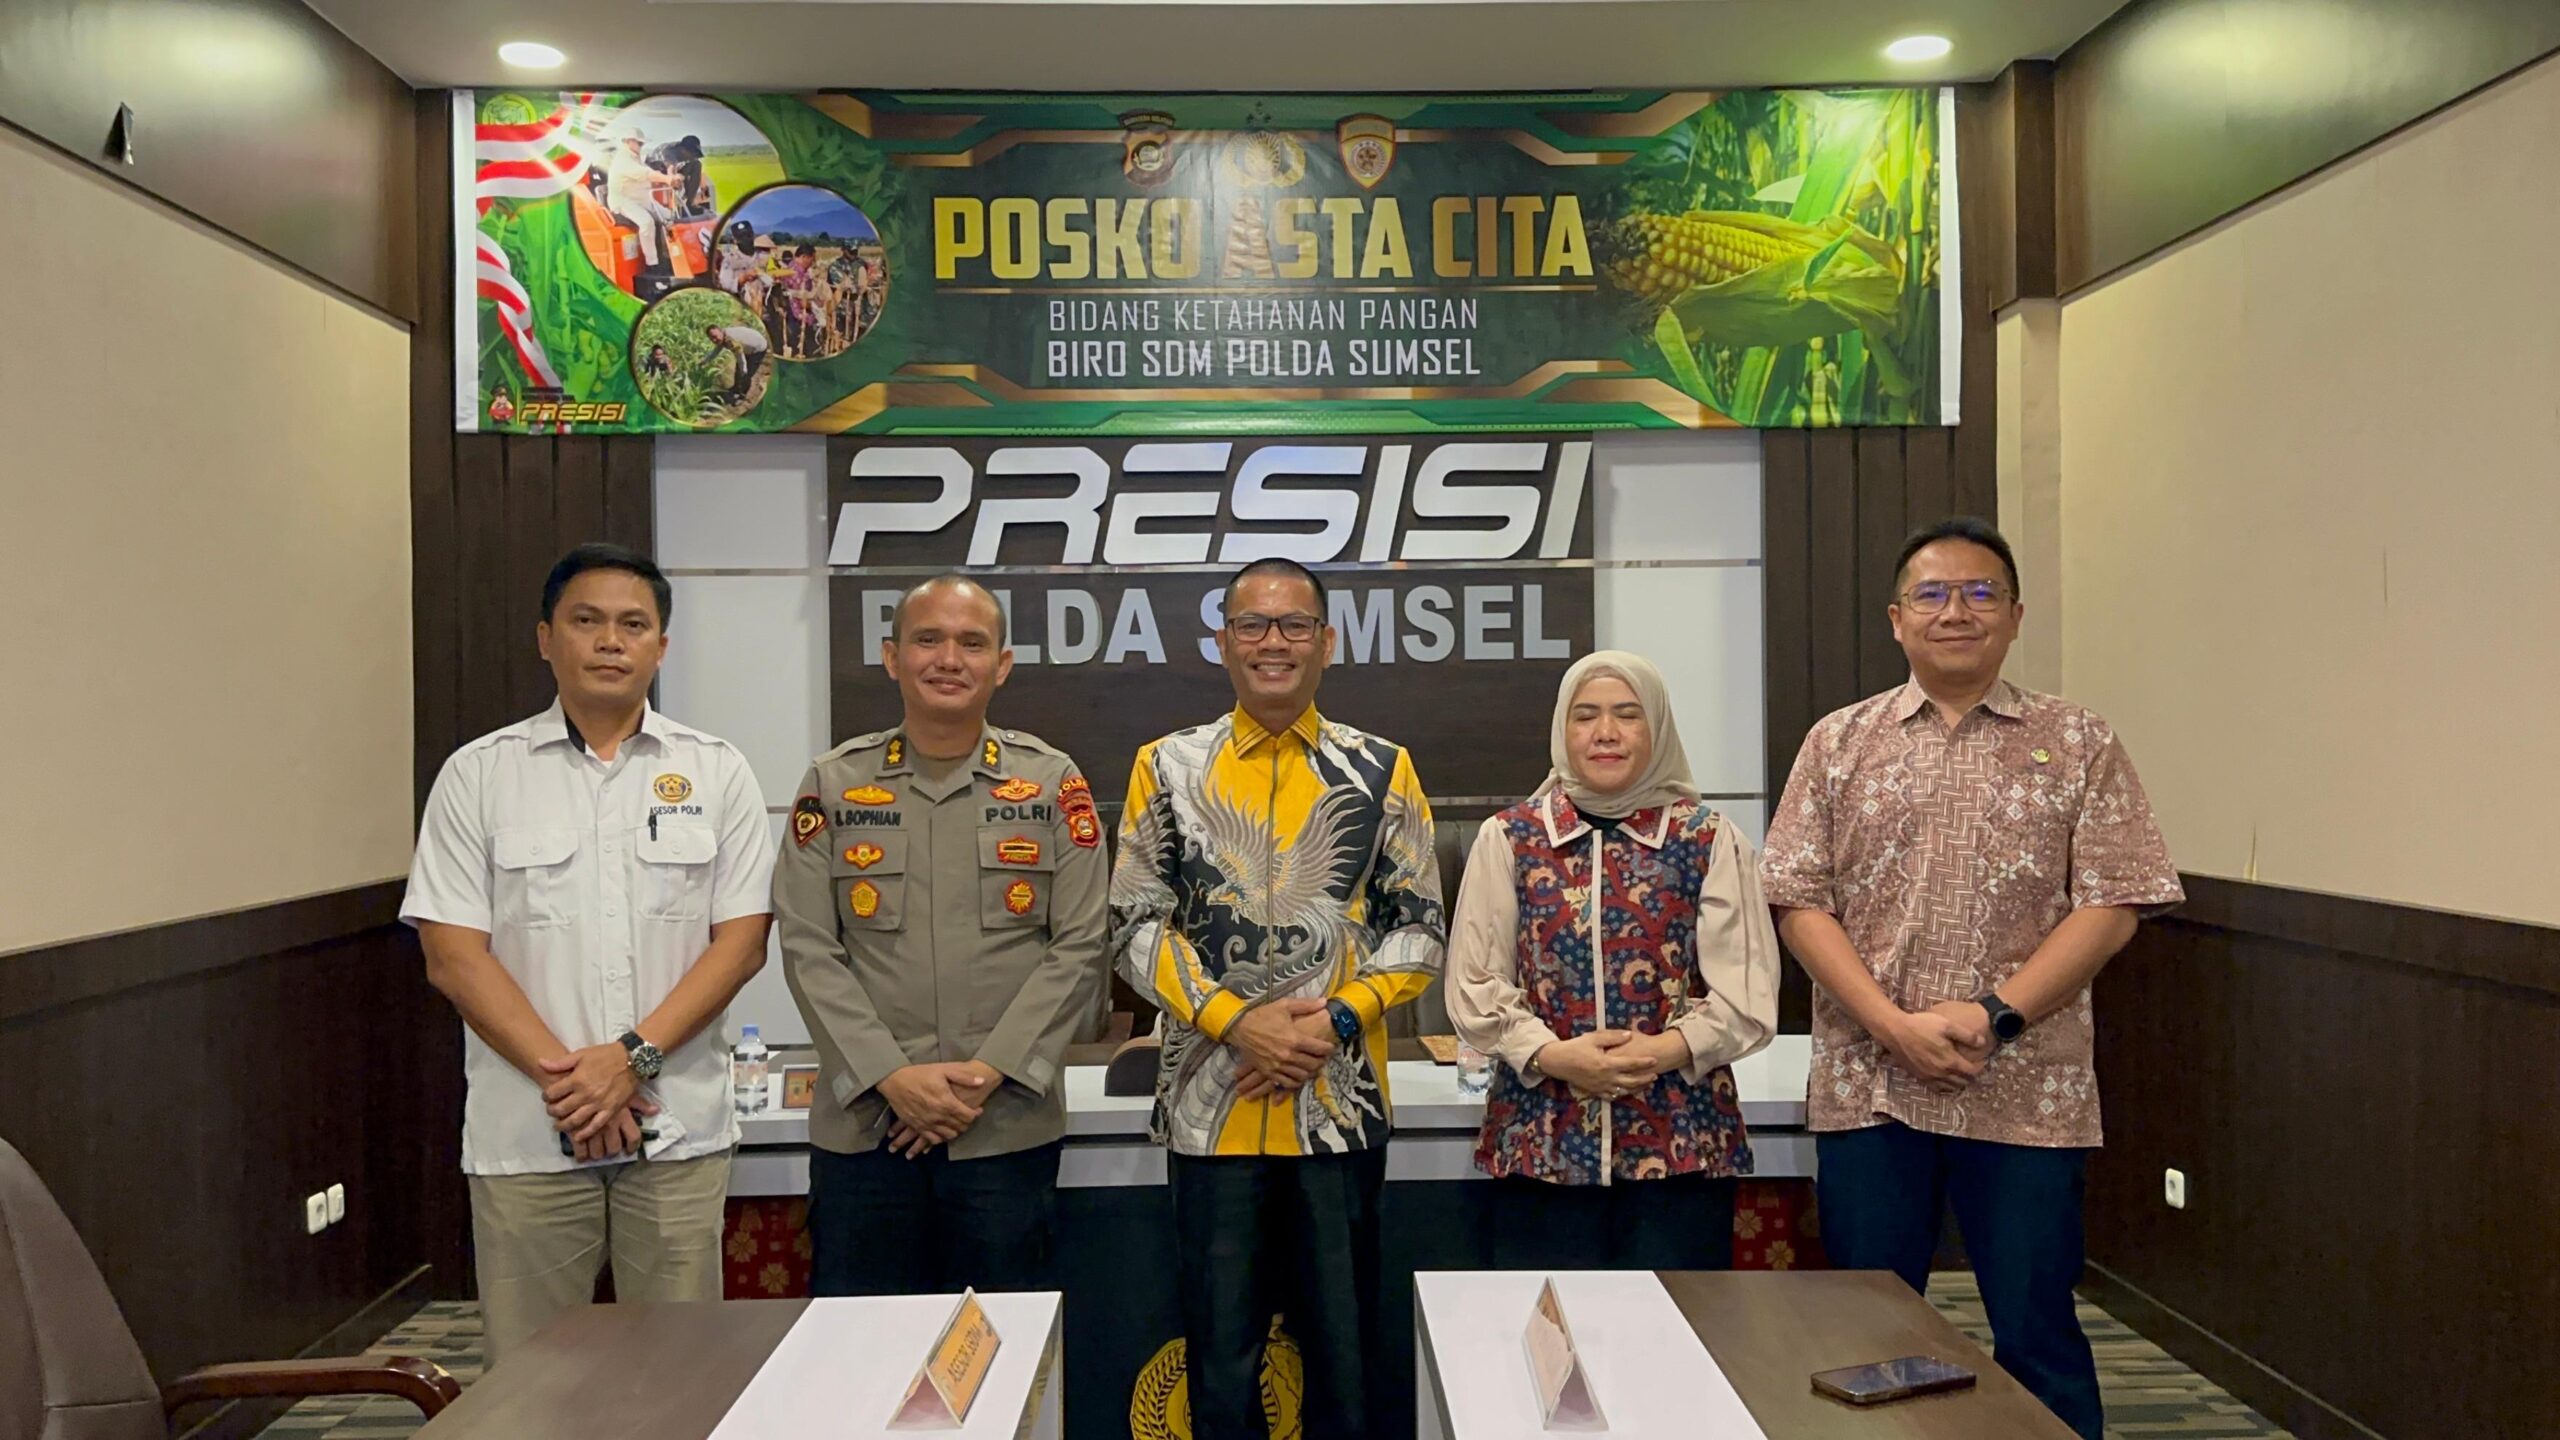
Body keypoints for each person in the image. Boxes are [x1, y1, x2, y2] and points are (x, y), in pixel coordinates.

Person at [1761, 516, 2183, 1440]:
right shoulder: (1838, 742)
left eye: (1981, 592)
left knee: (2038, 1330)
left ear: (2017, 615)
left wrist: (1996, 1016)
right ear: (1896, 619)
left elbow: (2114, 902)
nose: (1957, 611)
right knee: (1865, 1333)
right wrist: (1890, 1025)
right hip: (1871, 1082)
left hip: (2027, 1087)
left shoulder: (2079, 740)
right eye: (1933, 594)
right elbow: (1797, 900)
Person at [401, 544, 774, 1365]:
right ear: (546, 639)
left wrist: (631, 1061)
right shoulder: (478, 776)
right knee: (532, 1384)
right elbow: (453, 956)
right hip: (529, 1135)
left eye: (633, 625)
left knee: (680, 1376)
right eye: (587, 621)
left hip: (675, 1133)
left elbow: (742, 943)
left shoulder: (717, 772)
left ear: (661, 646)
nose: (611, 641)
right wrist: (575, 1085)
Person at [1111, 557, 1446, 1440]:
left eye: (1294, 624)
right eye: (1253, 624)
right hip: (1210, 1113)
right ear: (1223, 641)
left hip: (1337, 1109)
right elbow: (1133, 924)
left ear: (1326, 642)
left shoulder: (1382, 769)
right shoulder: (1167, 767)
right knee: (1220, 1371)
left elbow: (1419, 931)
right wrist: (1238, 1024)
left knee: (1344, 1364)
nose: (1274, 642)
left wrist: (1333, 1020)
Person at [774, 575, 1107, 1296]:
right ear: (892, 657)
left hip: (1003, 1133)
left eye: (971, 643)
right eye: (928, 640)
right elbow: (806, 946)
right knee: (860, 1350)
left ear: (1002, 664)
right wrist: (892, 1079)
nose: (949, 659)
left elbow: (1080, 944)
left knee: (1004, 1346)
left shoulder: (1052, 784)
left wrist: (983, 1077)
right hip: (866, 1134)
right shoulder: (833, 783)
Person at [1448, 651, 1778, 1270]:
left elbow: (1747, 997)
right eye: (1586, 716)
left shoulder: (1708, 839)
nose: (1605, 733)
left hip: (1680, 1139)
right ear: (1561, 729)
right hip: (1541, 1139)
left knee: (1680, 1323)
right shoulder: (1511, 838)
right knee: (1547, 1324)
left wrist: (1655, 1054)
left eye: (1627, 715)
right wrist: (1554, 1056)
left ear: (1657, 728)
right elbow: (1475, 984)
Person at [604, 131, 682, 270]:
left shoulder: (636, 158)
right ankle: (653, 264)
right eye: (639, 143)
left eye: (642, 143)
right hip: (623, 201)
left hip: (641, 199)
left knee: (670, 217)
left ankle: (669, 256)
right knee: (646, 222)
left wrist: (669, 176)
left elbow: (651, 172)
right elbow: (643, 173)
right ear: (628, 141)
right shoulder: (622, 160)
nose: (641, 146)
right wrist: (667, 179)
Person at [702, 323, 768, 405]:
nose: (714, 340)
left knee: (746, 374)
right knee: (739, 371)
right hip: (749, 345)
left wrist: (744, 370)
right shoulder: (724, 335)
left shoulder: (730, 340)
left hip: (758, 348)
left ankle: (742, 396)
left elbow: (740, 357)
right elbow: (716, 350)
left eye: (715, 336)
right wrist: (704, 361)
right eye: (711, 338)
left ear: (720, 331)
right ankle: (736, 389)